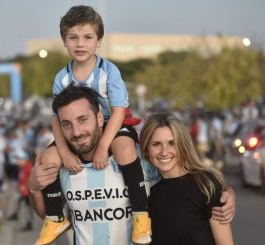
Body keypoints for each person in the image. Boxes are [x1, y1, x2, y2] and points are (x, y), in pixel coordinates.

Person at [28, 85, 235, 245]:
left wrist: (224, 193)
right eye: (67, 124)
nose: (76, 131)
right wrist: (34, 189)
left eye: (83, 120)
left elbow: (183, 179)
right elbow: (51, 216)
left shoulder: (136, 166)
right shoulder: (63, 169)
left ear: (100, 117)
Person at [38, 5, 149, 245]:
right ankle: (55, 217)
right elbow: (56, 117)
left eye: (87, 37)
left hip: (114, 124)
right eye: (73, 37)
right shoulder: (62, 77)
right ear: (64, 42)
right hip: (80, 127)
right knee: (48, 159)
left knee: (125, 150)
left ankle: (141, 215)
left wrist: (102, 147)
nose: (80, 43)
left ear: (98, 41)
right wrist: (65, 153)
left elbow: (118, 111)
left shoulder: (109, 71)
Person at [139, 112, 234, 245]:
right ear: (146, 149)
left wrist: (228, 192)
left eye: (172, 143)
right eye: (156, 144)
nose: (164, 152)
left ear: (182, 145)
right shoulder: (149, 191)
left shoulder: (206, 184)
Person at [14, 149, 34, 231]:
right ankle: (26, 222)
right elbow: (21, 179)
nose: (18, 161)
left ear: (24, 159)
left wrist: (25, 186)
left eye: (19, 159)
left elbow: (31, 180)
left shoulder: (28, 167)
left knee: (27, 208)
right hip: (24, 192)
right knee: (24, 207)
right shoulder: (22, 167)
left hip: (28, 192)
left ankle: (28, 223)